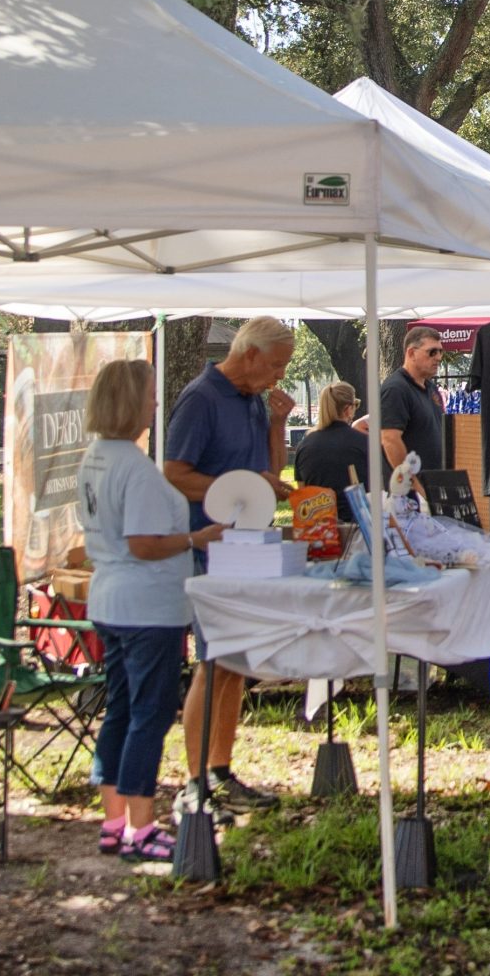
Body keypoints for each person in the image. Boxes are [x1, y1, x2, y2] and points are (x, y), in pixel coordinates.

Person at [78, 359, 225, 860]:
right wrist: (195, 537)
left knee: (120, 709)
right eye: (148, 396)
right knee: (149, 712)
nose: (155, 405)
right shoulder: (134, 468)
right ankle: (141, 824)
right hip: (146, 606)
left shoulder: (97, 456)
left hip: (112, 599)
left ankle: (114, 818)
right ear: (128, 402)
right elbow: (142, 542)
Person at [162, 314, 296, 810]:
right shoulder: (201, 399)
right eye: (277, 364)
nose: (280, 374)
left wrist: (279, 423)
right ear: (251, 354)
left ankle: (220, 768)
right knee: (212, 661)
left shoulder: (253, 399)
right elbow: (174, 472)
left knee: (236, 660)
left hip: (248, 546)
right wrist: (231, 492)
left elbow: (270, 469)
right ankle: (194, 780)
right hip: (209, 546)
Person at [379, 326, 449, 495]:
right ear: (411, 353)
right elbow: (389, 440)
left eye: (441, 352)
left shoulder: (431, 388)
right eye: (432, 352)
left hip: (433, 488)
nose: (438, 358)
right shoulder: (396, 389)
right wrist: (415, 485)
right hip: (407, 497)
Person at [290, 383, 367, 490]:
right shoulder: (363, 442)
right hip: (356, 506)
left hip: (317, 506)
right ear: (348, 409)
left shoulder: (304, 446)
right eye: (355, 406)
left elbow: (302, 490)